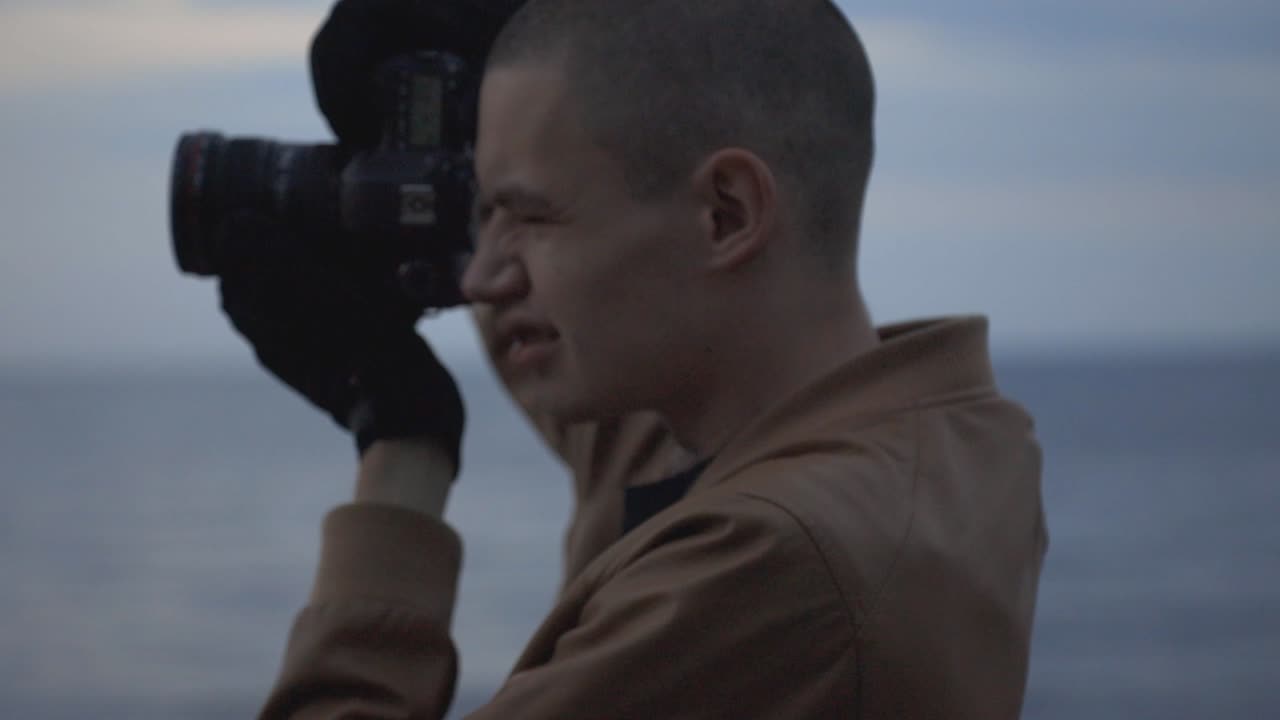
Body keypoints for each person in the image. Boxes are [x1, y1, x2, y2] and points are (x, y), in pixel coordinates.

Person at [217, 0, 1049, 717]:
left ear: (725, 214)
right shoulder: (931, 437)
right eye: (480, 213)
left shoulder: (773, 567)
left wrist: (401, 445)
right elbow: (612, 417)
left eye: (527, 218)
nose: (480, 277)